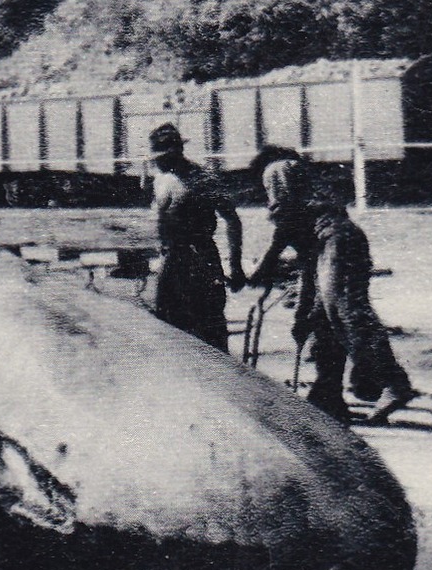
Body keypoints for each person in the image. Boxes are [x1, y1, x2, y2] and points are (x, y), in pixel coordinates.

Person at [248, 146, 415, 424]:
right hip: (333, 242)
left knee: (346, 314)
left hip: (335, 240)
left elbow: (285, 225)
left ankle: (392, 381)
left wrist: (263, 268)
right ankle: (327, 395)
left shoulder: (277, 169)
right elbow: (306, 260)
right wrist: (302, 313)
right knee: (320, 320)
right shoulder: (300, 175)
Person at [148, 124, 245, 351]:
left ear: (176, 153)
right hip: (171, 261)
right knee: (167, 330)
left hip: (201, 259)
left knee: (209, 332)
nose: (156, 162)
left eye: (160, 157)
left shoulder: (202, 179)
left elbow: (232, 219)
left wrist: (236, 265)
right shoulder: (160, 179)